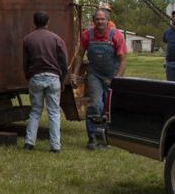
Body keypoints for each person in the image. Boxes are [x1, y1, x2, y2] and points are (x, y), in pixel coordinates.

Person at [74, 8, 127, 150]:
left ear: (108, 21)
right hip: (94, 75)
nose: (100, 22)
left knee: (107, 108)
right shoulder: (87, 35)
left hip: (111, 76)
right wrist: (75, 72)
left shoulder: (116, 36)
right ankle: (92, 138)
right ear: (93, 21)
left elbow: (123, 60)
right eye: (97, 19)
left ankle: (104, 139)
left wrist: (117, 79)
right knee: (95, 105)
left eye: (102, 19)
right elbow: (79, 54)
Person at [21, 11, 69, 153]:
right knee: (54, 112)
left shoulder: (28, 39)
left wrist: (28, 76)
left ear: (34, 22)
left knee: (35, 111)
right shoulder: (56, 39)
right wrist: (62, 79)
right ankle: (55, 146)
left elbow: (25, 62)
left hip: (35, 77)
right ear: (48, 22)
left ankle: (29, 143)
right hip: (53, 78)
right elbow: (64, 63)